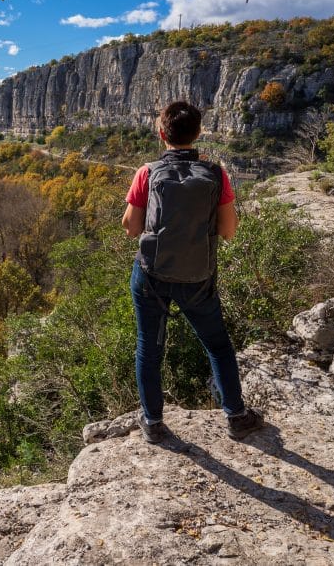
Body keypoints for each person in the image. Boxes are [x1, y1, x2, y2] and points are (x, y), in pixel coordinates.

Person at [121, 101, 264, 444]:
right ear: (199, 133)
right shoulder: (216, 174)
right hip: (198, 278)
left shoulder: (148, 172)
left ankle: (153, 423)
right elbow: (229, 231)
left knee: (149, 348)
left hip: (151, 276)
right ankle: (236, 416)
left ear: (161, 134)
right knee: (217, 346)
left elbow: (130, 226)